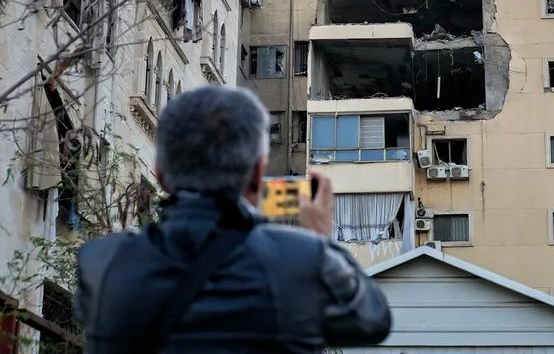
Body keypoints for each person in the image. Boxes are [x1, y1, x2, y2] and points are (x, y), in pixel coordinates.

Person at [74, 86, 391, 353]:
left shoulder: (101, 263)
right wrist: (321, 240)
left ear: (160, 175)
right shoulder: (304, 260)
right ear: (256, 173)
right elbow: (372, 321)